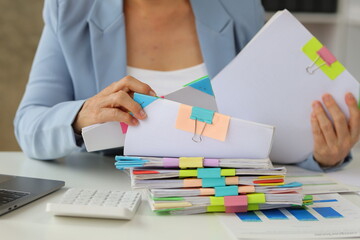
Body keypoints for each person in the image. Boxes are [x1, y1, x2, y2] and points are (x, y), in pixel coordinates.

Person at [14, 0, 359, 172]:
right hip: (111, 197)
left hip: (218, 199)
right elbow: (29, 123)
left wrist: (322, 155)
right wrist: (81, 115)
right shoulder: (70, 8)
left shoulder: (238, 8)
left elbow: (266, 125)